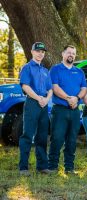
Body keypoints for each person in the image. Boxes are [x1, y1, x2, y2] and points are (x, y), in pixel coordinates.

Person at [48, 45, 87, 174]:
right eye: (69, 52)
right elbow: (55, 87)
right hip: (60, 110)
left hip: (75, 111)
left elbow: (84, 89)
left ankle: (69, 168)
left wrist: (76, 98)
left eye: (73, 53)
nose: (71, 55)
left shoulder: (79, 72)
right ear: (63, 54)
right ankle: (53, 166)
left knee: (71, 139)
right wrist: (68, 98)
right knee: (57, 138)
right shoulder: (56, 69)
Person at [18, 42, 52, 176]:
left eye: (43, 52)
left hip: (44, 105)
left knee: (42, 136)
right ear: (32, 52)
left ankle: (42, 166)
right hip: (32, 103)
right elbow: (25, 86)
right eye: (38, 51)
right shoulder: (27, 68)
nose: (40, 54)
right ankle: (23, 168)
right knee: (27, 135)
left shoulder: (45, 70)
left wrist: (46, 99)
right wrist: (39, 98)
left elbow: (50, 89)